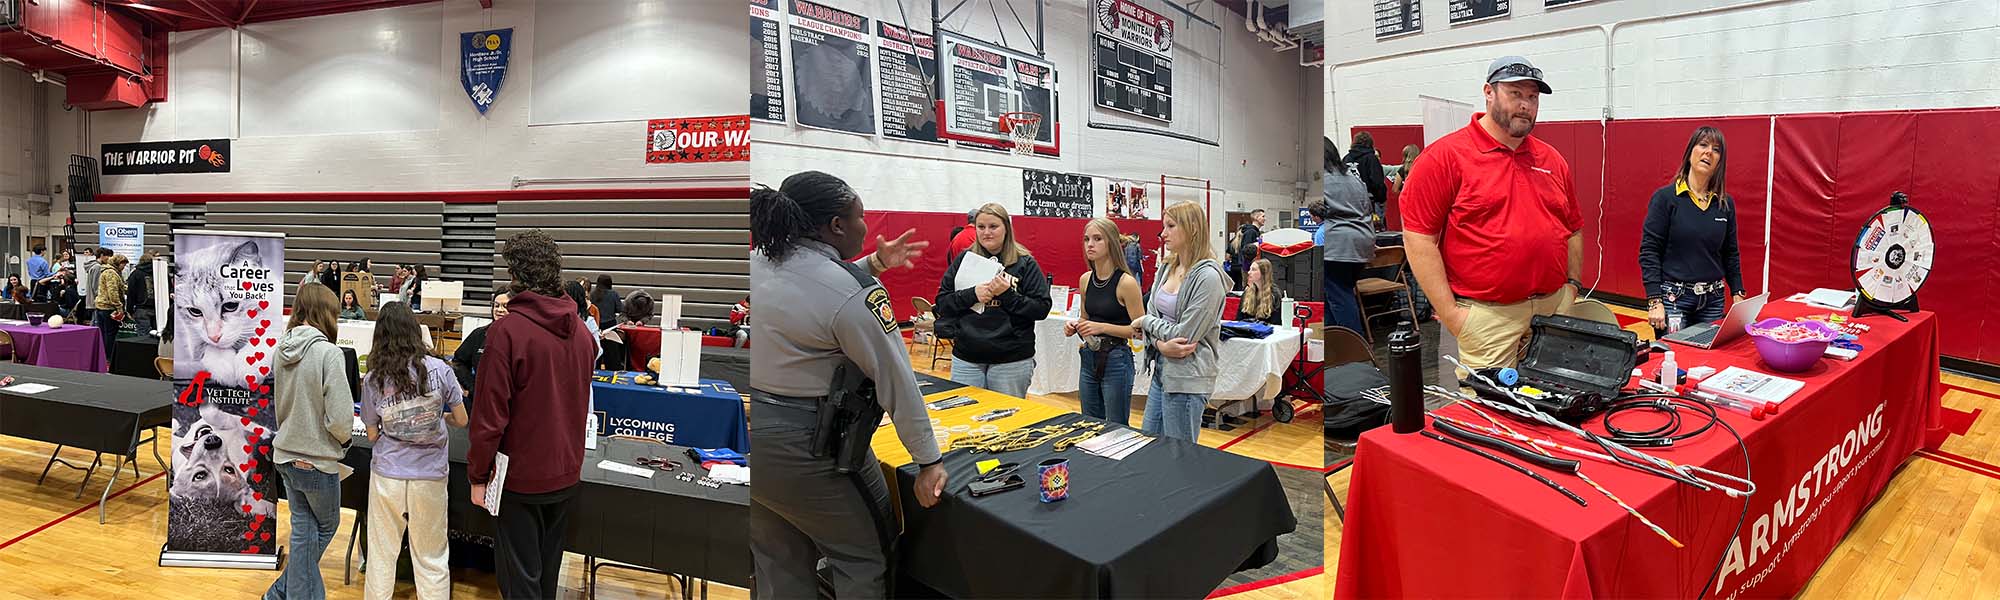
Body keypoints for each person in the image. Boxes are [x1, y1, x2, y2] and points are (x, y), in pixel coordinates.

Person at [748, 171, 946, 599]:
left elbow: (811, 288)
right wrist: (928, 459)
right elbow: (897, 379)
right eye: (861, 216)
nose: (866, 226)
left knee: (779, 565)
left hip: (752, 434)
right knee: (865, 559)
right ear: (836, 226)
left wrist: (872, 264)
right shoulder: (852, 292)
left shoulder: (758, 263)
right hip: (814, 445)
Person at [1400, 55, 1583, 373]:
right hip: (1488, 318)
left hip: (1553, 308)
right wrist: (1454, 316)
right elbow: (1418, 239)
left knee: (1553, 404)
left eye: (1532, 96)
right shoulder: (1445, 158)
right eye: (1515, 93)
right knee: (1490, 414)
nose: (1526, 104)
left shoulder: (1552, 159)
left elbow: (1574, 228)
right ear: (1488, 92)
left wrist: (1571, 286)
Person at [467, 231, 597, 600]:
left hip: (520, 480)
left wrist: (478, 476)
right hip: (565, 473)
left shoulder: (506, 332)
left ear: (515, 275)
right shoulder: (583, 335)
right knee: (544, 579)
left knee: (520, 582)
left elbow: (490, 415)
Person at [359, 302, 468, 600]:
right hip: (430, 475)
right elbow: (462, 419)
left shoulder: (372, 378)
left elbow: (371, 433)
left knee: (381, 553)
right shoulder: (440, 370)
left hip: (388, 474)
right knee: (431, 555)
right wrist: (440, 417)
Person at [265, 283, 354, 600]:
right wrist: (342, 442)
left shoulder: (280, 349)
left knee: (304, 528)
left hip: (286, 455)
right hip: (316, 459)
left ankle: (280, 594)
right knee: (325, 527)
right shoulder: (329, 354)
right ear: (325, 313)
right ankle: (285, 594)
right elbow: (342, 419)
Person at [1131, 202, 1230, 443]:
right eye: (1164, 226)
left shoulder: (1208, 277)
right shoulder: (1167, 267)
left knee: (1180, 456)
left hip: (1189, 378)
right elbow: (1153, 309)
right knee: (1150, 446)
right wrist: (1160, 344)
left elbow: (1185, 334)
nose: (1163, 233)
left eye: (1171, 226)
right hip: (1163, 370)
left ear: (1193, 228)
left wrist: (1145, 322)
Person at [933, 203, 1052, 398]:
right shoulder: (964, 259)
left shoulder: (1024, 263)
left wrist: (1007, 295)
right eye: (981, 227)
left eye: (993, 226)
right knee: (966, 419)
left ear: (1006, 228)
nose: (986, 232)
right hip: (967, 357)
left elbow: (1041, 308)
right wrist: (972, 294)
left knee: (1007, 421)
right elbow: (942, 303)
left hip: (1011, 359)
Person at [1640, 126, 1746, 333]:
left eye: (1716, 150)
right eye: (1703, 145)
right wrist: (1654, 300)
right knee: (1674, 360)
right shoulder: (1665, 199)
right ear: (1690, 153)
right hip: (1674, 301)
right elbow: (1649, 251)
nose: (1709, 152)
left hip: (1713, 301)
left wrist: (1738, 292)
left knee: (1707, 362)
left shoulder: (1724, 204)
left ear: (1719, 163)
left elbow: (1730, 253)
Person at [1065, 218, 1146, 426]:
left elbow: (1139, 331)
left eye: (1097, 239)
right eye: (1086, 239)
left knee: (1117, 426)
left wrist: (1101, 327)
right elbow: (1085, 316)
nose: (1090, 244)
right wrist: (1075, 325)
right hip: (1089, 357)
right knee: (1089, 424)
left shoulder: (1126, 283)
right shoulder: (1085, 280)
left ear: (1111, 243)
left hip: (1116, 359)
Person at [1320, 138, 1378, 334]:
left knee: (1340, 298)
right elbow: (1368, 207)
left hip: (1337, 246)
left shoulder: (1324, 180)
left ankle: (1354, 349)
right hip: (1362, 243)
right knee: (1334, 296)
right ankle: (1334, 346)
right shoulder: (1353, 178)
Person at [452, 287, 509, 405]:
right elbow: (458, 362)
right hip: (481, 402)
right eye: (496, 305)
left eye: (505, 306)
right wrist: (472, 387)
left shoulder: (522, 338)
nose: (499, 310)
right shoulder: (479, 334)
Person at [1347, 131, 1389, 224]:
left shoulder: (1346, 159)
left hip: (1350, 203)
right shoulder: (1371, 158)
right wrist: (1381, 199)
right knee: (1376, 232)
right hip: (1370, 202)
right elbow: (1377, 181)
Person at [93, 255, 128, 365]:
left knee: (104, 333)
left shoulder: (107, 271)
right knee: (110, 334)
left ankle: (103, 356)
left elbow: (118, 287)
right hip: (109, 308)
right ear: (118, 263)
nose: (124, 267)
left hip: (101, 306)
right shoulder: (111, 273)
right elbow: (112, 292)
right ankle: (109, 357)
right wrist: (119, 307)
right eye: (123, 264)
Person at [1236, 258, 1282, 324]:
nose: (1249, 272)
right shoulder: (1247, 292)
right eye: (1250, 269)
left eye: (1253, 270)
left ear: (1263, 273)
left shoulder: (1275, 294)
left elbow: (1276, 322)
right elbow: (1239, 318)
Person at [1233, 209, 1266, 292]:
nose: (1265, 219)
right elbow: (1247, 251)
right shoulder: (1251, 232)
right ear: (1256, 217)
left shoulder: (1256, 232)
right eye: (1263, 216)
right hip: (1248, 267)